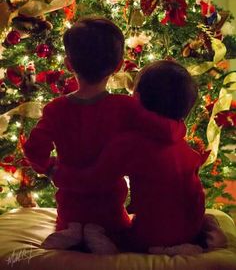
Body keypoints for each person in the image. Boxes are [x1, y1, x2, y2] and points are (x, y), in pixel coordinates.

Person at [24, 18, 185, 252]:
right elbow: (163, 130)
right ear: (118, 66)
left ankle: (73, 232)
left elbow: (33, 149)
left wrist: (51, 169)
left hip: (70, 209)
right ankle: (98, 237)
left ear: (69, 64)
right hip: (109, 211)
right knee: (117, 231)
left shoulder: (56, 109)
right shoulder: (125, 107)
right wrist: (180, 127)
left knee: (71, 224)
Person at [60, 60, 212, 253]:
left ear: (136, 98)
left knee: (95, 231)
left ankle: (156, 249)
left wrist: (58, 172)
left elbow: (95, 179)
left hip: (151, 235)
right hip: (192, 229)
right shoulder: (178, 138)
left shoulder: (131, 142)